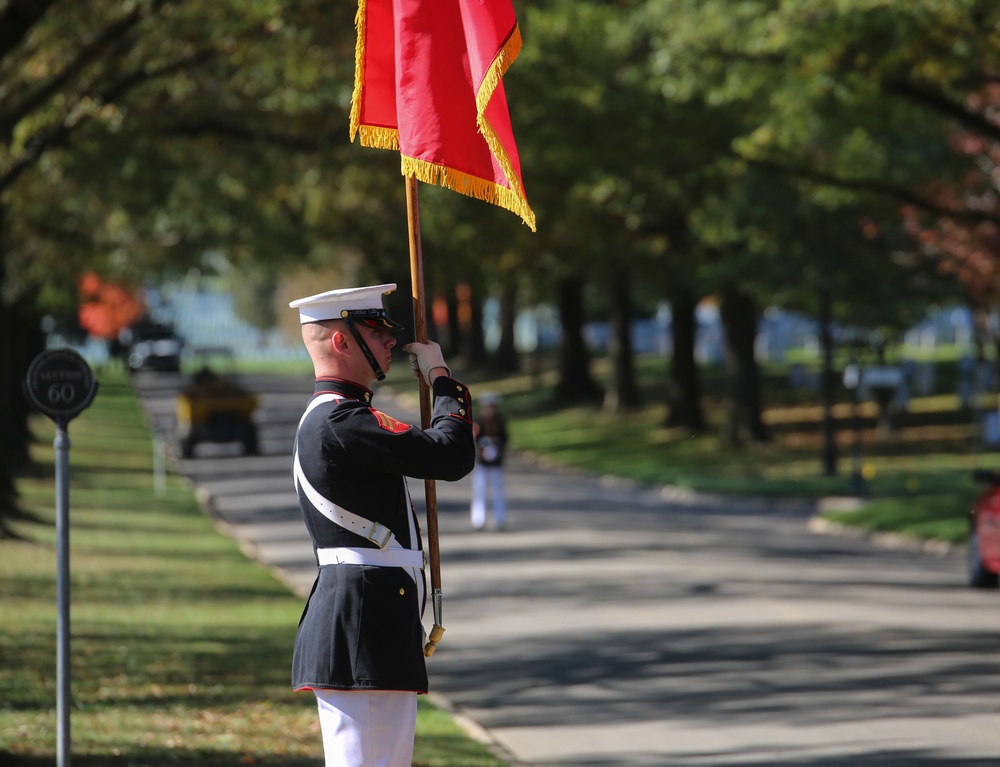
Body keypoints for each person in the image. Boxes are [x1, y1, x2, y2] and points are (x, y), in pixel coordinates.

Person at [287, 283, 476, 767]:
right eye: (375, 331)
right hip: (364, 627)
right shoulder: (342, 422)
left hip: (369, 624)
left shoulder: (339, 418)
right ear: (341, 342)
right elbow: (450, 455)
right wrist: (442, 379)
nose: (391, 341)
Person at [470, 393, 509, 530]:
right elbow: (474, 438)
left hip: (497, 464)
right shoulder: (479, 421)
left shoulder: (500, 421)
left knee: (498, 491)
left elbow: (505, 438)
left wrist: (496, 446)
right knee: (479, 491)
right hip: (482, 464)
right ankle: (478, 521)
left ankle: (500, 519)